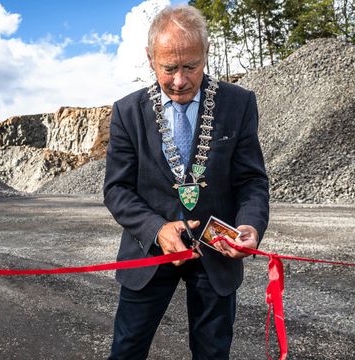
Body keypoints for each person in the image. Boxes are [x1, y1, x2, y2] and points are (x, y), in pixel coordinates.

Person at [103, 5, 269, 359]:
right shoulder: (126, 112)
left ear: (206, 54)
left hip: (216, 251)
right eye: (169, 68)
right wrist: (156, 228)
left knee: (213, 353)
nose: (180, 81)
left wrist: (249, 227)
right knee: (126, 350)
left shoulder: (238, 104)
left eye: (191, 66)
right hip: (148, 252)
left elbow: (252, 181)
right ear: (150, 59)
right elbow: (117, 189)